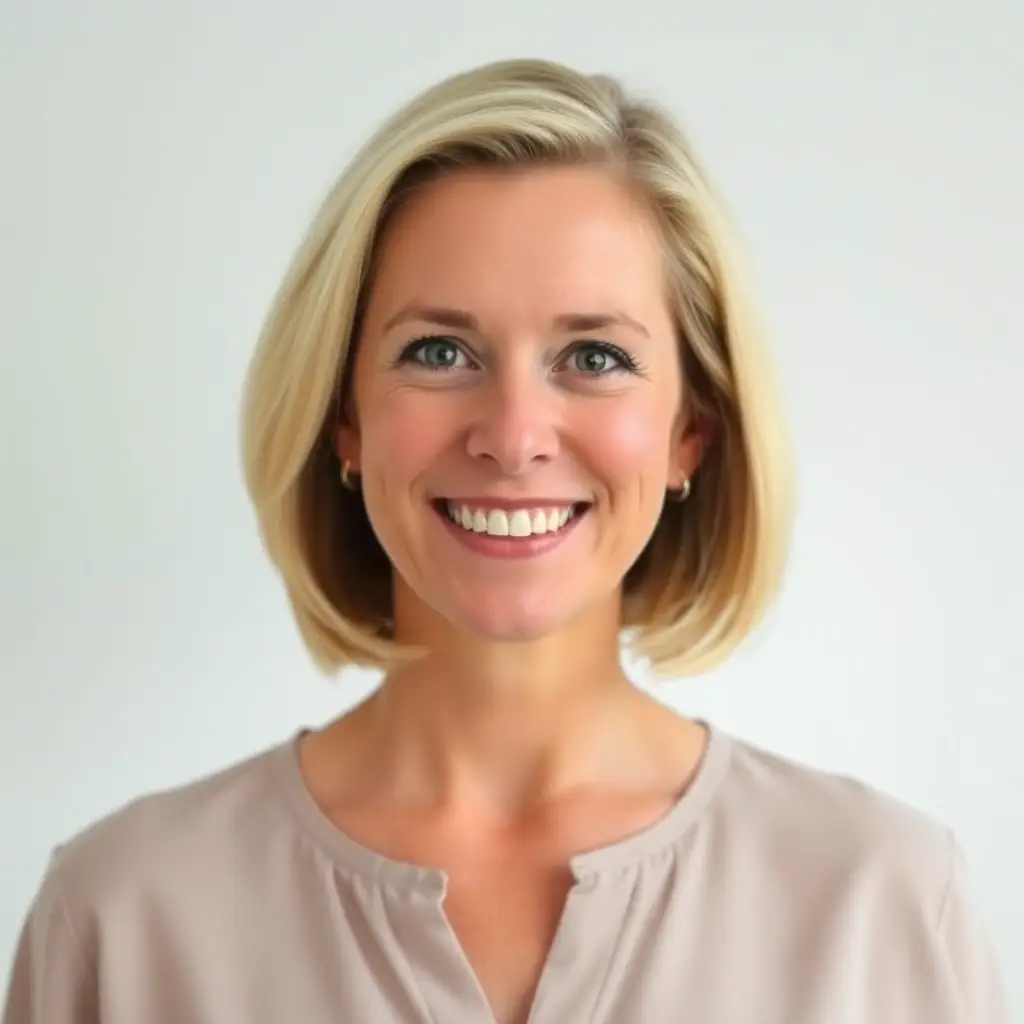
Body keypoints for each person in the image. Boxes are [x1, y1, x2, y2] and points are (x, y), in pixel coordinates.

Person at [3, 57, 1007, 1024]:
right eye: (439, 350)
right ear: (342, 416)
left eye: (594, 357)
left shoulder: (882, 903)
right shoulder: (123, 919)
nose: (515, 435)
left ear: (689, 430)